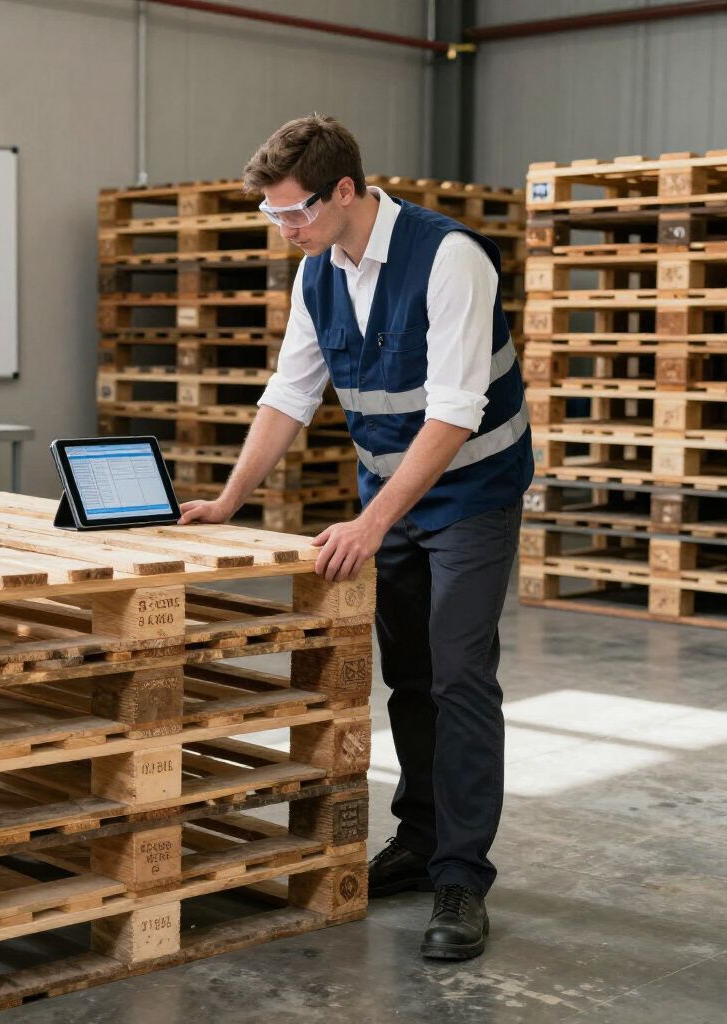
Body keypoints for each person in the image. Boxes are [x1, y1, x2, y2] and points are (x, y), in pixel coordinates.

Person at [177, 114, 533, 960]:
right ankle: (419, 838)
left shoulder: (449, 259)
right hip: (392, 492)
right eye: (272, 217)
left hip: (473, 491)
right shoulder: (317, 275)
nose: (285, 229)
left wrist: (372, 525)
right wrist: (228, 501)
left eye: (292, 212)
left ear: (345, 191)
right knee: (408, 674)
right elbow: (289, 394)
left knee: (459, 673)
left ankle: (461, 876)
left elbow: (454, 413)